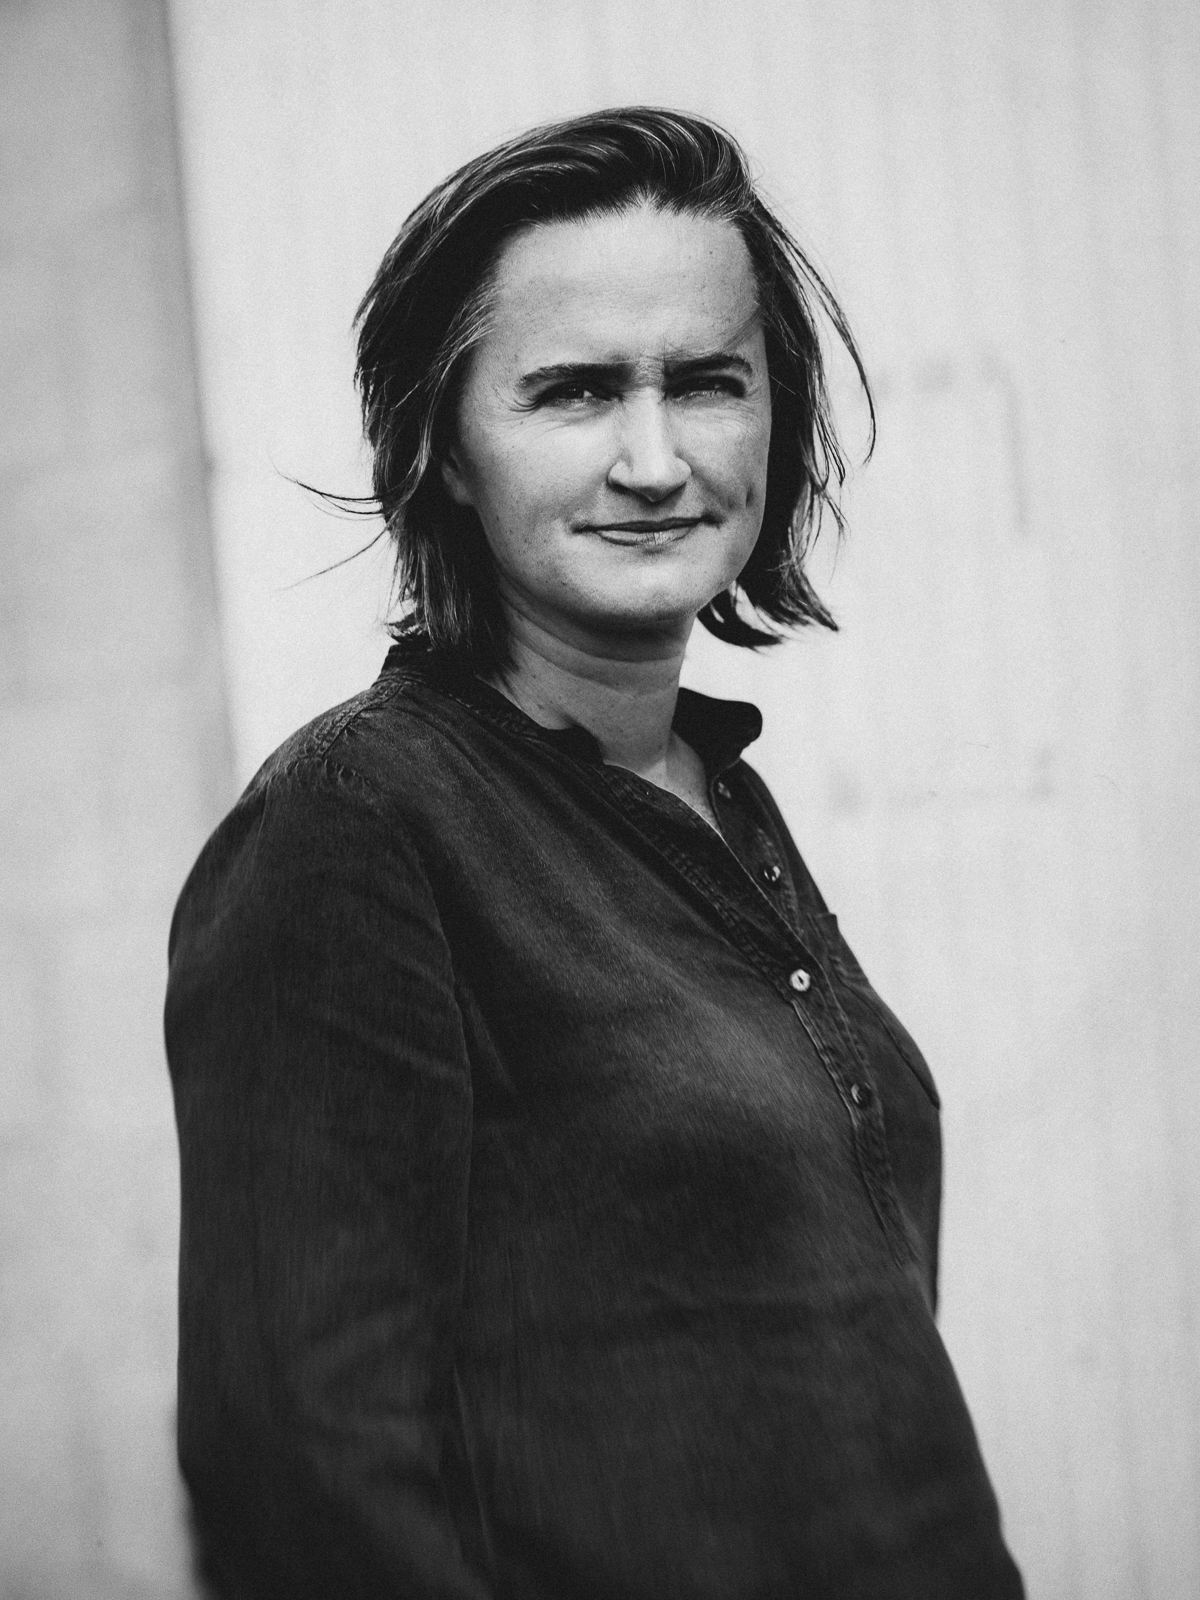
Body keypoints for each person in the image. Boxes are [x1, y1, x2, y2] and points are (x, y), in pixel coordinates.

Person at [165, 108, 1025, 1599]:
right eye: (572, 392)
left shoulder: (716, 793)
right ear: (442, 447)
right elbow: (303, 1473)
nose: (654, 457)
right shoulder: (356, 830)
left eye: (707, 382)